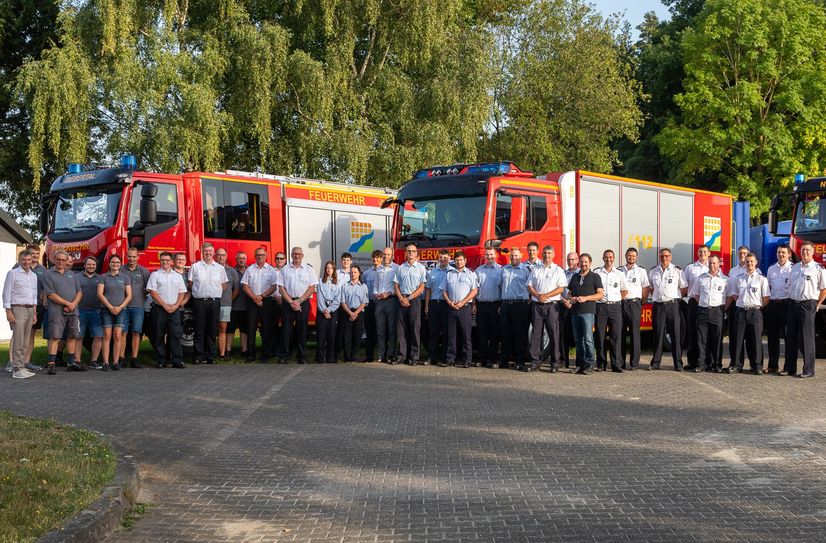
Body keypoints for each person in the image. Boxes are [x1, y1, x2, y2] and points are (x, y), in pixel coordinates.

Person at [783, 242, 826, 378]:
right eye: (803, 250)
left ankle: (808, 370)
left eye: (808, 250)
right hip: (793, 304)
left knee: (807, 339)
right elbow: (789, 285)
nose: (805, 252)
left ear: (813, 252)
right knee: (790, 338)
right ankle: (790, 368)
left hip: (808, 305)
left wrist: (817, 304)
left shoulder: (818, 268)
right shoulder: (794, 268)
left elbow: (824, 289)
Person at [726, 252, 770, 374]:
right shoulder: (739, 278)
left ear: (756, 262)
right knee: (738, 339)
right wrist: (742, 302)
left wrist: (757, 306)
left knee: (755, 340)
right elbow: (734, 294)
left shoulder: (762, 279)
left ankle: (757, 366)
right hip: (741, 311)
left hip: (755, 312)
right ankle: (737, 365)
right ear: (744, 263)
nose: (749, 263)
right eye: (747, 261)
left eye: (751, 261)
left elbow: (766, 297)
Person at [526, 245, 568, 372]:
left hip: (552, 306)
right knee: (536, 334)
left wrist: (546, 295)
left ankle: (555, 363)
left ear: (553, 254)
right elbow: (529, 286)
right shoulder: (536, 269)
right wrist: (538, 295)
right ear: (542, 254)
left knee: (553, 334)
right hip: (537, 305)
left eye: (549, 253)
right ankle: (535, 362)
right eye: (544, 253)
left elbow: (561, 288)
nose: (546, 255)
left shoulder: (558, 270)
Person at [42, 250, 83, 375]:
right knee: (55, 337)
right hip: (56, 311)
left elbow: (79, 292)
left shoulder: (72, 275)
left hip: (73, 311)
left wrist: (73, 304)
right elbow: (50, 294)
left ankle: (71, 363)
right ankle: (51, 364)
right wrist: (67, 304)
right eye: (58, 259)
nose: (60, 262)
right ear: (54, 260)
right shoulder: (48, 274)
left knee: (72, 336)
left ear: (67, 261)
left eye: (63, 260)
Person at [188, 242, 228, 364]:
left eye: (210, 251)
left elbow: (224, 285)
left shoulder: (220, 268)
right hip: (199, 302)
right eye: (206, 251)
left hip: (214, 302)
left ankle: (211, 356)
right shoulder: (195, 267)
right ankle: (198, 356)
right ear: (202, 252)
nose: (208, 253)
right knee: (199, 329)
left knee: (212, 330)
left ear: (213, 253)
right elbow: (190, 284)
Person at [147, 252, 188, 369]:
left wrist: (176, 306)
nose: (165, 262)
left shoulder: (177, 276)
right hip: (159, 309)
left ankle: (177, 360)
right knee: (158, 335)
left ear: (171, 262)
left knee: (175, 335)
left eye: (167, 260)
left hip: (174, 309)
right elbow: (153, 292)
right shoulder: (155, 275)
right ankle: (161, 360)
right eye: (162, 260)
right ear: (160, 261)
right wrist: (164, 305)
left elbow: (182, 292)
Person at [564, 254, 604, 375]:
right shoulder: (575, 277)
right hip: (575, 312)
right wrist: (572, 299)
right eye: (581, 262)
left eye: (586, 262)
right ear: (578, 263)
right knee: (578, 340)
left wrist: (586, 298)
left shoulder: (595, 277)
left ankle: (590, 364)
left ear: (590, 263)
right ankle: (580, 364)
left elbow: (600, 294)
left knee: (588, 339)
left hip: (587, 312)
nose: (584, 264)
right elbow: (569, 293)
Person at [648, 248, 687, 371]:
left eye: (667, 256)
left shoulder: (677, 271)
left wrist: (676, 299)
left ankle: (678, 364)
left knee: (676, 335)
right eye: (662, 256)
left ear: (670, 257)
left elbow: (684, 288)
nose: (664, 258)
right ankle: (655, 363)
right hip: (659, 306)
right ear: (659, 257)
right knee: (658, 335)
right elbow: (651, 287)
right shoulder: (653, 271)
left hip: (672, 305)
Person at [277, 246, 317, 364]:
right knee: (286, 330)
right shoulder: (285, 269)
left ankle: (302, 356)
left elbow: (312, 287)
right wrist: (290, 301)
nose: (297, 256)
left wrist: (299, 301)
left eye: (299, 254)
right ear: (291, 255)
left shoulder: (308, 269)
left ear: (302, 255)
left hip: (303, 303)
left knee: (302, 330)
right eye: (294, 254)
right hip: (287, 302)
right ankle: (284, 355)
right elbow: (281, 287)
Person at [689, 255, 728, 372]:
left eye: (714, 263)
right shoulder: (701, 278)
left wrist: (722, 308)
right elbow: (696, 294)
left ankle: (717, 364)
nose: (712, 265)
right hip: (703, 310)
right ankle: (702, 364)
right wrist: (704, 304)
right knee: (702, 339)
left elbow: (730, 296)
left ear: (719, 264)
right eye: (710, 263)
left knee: (717, 339)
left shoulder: (725, 279)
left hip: (717, 311)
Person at [3, 250, 38, 379]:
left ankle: (22, 366)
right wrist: (8, 311)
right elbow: (6, 293)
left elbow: (34, 296)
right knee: (18, 339)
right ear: (19, 259)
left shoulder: (33, 276)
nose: (27, 262)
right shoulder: (12, 274)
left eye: (29, 260)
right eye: (24, 260)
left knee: (26, 340)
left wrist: (34, 312)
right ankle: (17, 369)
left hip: (30, 309)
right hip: (18, 309)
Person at [240, 248, 278, 362]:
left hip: (266, 302)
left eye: (262, 255)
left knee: (266, 329)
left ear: (266, 256)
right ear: (254, 256)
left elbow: (274, 286)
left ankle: (265, 355)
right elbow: (245, 286)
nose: (260, 257)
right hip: (252, 301)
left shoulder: (271, 270)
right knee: (251, 329)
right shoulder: (250, 269)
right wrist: (255, 298)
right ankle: (251, 355)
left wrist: (261, 296)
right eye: (257, 255)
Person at [442, 251, 479, 368]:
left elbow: (474, 291)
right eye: (457, 260)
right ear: (454, 261)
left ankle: (467, 360)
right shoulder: (449, 274)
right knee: (451, 335)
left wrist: (462, 302)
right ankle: (450, 359)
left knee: (466, 335)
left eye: (461, 260)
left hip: (465, 308)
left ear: (465, 261)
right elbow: (444, 290)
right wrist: (449, 302)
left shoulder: (471, 274)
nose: (459, 262)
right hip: (451, 307)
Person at [594, 250, 628, 372]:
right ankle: (601, 364)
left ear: (614, 258)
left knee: (616, 336)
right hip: (601, 307)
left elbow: (624, 290)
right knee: (600, 336)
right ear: (603, 258)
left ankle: (616, 365)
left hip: (615, 307)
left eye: (611, 257)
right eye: (606, 257)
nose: (608, 259)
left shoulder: (619, 273)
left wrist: (617, 299)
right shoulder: (597, 272)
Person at [97, 254, 132, 371]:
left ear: (120, 264)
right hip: (106, 309)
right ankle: (106, 362)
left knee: (117, 335)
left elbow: (129, 295)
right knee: (107, 336)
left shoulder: (125, 277)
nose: (115, 264)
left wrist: (120, 307)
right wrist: (110, 306)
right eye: (113, 262)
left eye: (117, 262)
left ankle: (116, 362)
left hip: (121, 310)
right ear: (109, 263)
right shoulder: (103, 277)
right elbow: (100, 294)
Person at [394, 244, 427, 365]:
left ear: (417, 254)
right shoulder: (400, 267)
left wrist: (409, 298)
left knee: (414, 328)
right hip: (401, 299)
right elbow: (396, 285)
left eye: (413, 251)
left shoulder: (421, 268)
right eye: (409, 251)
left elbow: (422, 287)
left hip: (414, 300)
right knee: (401, 330)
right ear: (406, 253)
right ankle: (402, 356)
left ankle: (414, 357)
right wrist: (402, 298)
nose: (411, 253)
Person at [499, 248, 531, 370]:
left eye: (516, 256)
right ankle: (504, 360)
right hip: (506, 304)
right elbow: (499, 285)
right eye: (512, 256)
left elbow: (531, 286)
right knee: (505, 333)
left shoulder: (526, 270)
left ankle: (519, 360)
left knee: (520, 333)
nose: (514, 258)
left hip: (520, 305)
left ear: (521, 256)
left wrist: (528, 300)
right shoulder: (504, 269)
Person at [619, 247, 650, 370]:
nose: (631, 257)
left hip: (634, 304)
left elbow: (646, 287)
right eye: (629, 255)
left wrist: (642, 300)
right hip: (621, 304)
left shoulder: (641, 271)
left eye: (633, 256)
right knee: (619, 333)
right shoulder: (619, 270)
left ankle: (634, 363)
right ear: (625, 256)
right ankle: (620, 362)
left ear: (636, 257)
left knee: (634, 334)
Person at [120, 247, 150, 368]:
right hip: (123, 307)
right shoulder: (121, 270)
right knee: (123, 333)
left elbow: (149, 288)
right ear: (126, 257)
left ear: (138, 257)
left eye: (134, 256)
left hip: (138, 307)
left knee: (136, 333)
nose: (131, 259)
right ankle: (121, 358)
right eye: (129, 256)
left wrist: (141, 296)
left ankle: (134, 358)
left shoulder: (144, 271)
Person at [764, 245, 792, 374]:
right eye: (779, 252)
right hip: (773, 304)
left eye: (783, 252)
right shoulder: (771, 269)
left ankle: (788, 366)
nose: (781, 254)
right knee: (772, 336)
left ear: (789, 254)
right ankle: (773, 365)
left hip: (786, 304)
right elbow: (768, 287)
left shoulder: (793, 269)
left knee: (788, 337)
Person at [424, 250, 453, 365]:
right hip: (434, 304)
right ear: (438, 259)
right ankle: (432, 356)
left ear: (449, 258)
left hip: (447, 305)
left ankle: (445, 357)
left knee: (447, 332)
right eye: (441, 257)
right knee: (433, 331)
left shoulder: (452, 272)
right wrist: (426, 305)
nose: (443, 259)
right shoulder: (433, 272)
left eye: (445, 257)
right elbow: (428, 289)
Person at [683, 246, 710, 369]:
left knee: (706, 334)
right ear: (697, 253)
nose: (702, 253)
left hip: (707, 303)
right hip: (694, 302)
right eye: (700, 252)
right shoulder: (690, 268)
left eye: (705, 252)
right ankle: (692, 361)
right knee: (692, 332)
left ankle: (706, 361)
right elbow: (685, 285)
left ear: (709, 253)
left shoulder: (713, 266)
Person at [475, 248, 502, 368]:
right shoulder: (478, 270)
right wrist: (474, 304)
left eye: (491, 254)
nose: (489, 256)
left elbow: (503, 288)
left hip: (495, 305)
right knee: (482, 333)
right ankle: (481, 358)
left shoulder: (501, 270)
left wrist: (501, 305)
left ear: (495, 255)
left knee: (494, 334)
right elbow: (474, 289)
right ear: (485, 256)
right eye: (487, 254)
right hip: (481, 305)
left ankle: (493, 359)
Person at [726, 246, 752, 369]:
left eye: (745, 253)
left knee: (751, 337)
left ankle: (754, 365)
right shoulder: (732, 271)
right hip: (735, 306)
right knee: (735, 337)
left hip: (749, 308)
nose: (743, 255)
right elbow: (732, 291)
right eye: (740, 253)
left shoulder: (756, 272)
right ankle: (735, 363)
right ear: (737, 254)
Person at [77, 257, 104, 369]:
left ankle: (94, 361)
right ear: (84, 265)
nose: (91, 266)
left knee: (98, 336)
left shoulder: (101, 278)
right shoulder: (77, 277)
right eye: (89, 264)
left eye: (93, 264)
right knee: (79, 336)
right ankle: (77, 360)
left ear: (96, 266)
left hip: (96, 311)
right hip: (80, 310)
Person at [215, 248, 240, 361]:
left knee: (223, 329)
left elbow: (236, 289)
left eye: (223, 255)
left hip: (225, 304)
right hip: (211, 303)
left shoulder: (232, 271)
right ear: (215, 256)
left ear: (226, 256)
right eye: (219, 255)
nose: (221, 257)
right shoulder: (212, 269)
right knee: (210, 329)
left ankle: (222, 354)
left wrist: (229, 300)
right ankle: (209, 352)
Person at [374, 247, 399, 363]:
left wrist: (388, 293)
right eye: (384, 254)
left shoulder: (397, 268)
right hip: (379, 302)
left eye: (388, 254)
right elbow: (375, 285)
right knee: (380, 330)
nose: (386, 257)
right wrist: (376, 294)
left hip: (391, 301)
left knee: (392, 330)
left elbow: (398, 287)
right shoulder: (378, 269)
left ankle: (390, 354)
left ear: (392, 255)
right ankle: (381, 354)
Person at [341, 265, 369, 363]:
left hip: (359, 313)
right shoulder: (345, 286)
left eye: (355, 272)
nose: (353, 274)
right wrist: (350, 313)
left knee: (357, 336)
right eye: (351, 272)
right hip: (347, 313)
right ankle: (347, 358)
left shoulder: (364, 286)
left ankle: (354, 357)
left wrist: (355, 313)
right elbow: (343, 302)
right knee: (347, 336)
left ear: (359, 273)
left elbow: (364, 302)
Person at [316, 261, 341, 364]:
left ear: (334, 270)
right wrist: (324, 310)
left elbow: (337, 299)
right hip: (322, 311)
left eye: (331, 268)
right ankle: (320, 358)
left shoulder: (338, 282)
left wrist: (329, 310)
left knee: (331, 335)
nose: (329, 270)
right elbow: (319, 297)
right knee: (321, 336)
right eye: (327, 268)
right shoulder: (320, 281)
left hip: (333, 311)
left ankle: (330, 358)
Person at [361, 250, 383, 362]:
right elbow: (364, 290)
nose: (375, 260)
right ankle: (369, 356)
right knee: (369, 331)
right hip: (370, 304)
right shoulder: (366, 273)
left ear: (381, 259)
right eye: (374, 258)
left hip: (382, 304)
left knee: (381, 330)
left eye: (378, 258)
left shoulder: (385, 271)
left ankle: (381, 355)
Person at [227, 251, 249, 359]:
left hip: (246, 307)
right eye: (239, 258)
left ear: (246, 260)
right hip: (233, 306)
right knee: (230, 330)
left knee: (244, 330)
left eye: (243, 258)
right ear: (236, 260)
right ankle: (228, 351)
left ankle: (244, 351)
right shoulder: (231, 271)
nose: (241, 260)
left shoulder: (250, 271)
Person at [560, 252, 579, 369]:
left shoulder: (580, 274)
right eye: (568, 260)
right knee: (563, 335)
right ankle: (564, 360)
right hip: (563, 306)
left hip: (576, 307)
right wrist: (564, 300)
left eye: (573, 259)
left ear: (577, 260)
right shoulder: (562, 273)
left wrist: (571, 302)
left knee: (578, 335)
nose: (570, 262)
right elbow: (557, 289)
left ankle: (579, 361)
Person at [334, 252, 353, 361]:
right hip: (337, 305)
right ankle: (336, 355)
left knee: (348, 332)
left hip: (349, 306)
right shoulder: (336, 273)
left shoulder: (354, 273)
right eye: (343, 260)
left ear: (351, 261)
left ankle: (347, 356)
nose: (345, 262)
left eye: (347, 260)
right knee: (338, 331)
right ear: (341, 261)